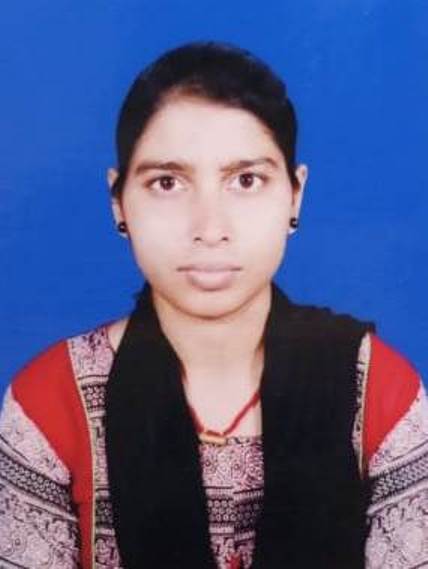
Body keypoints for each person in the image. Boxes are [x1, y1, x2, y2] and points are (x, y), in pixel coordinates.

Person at [0, 41, 427, 569]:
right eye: (167, 183)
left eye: (246, 181)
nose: (209, 228)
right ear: (118, 202)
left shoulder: (381, 393)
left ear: (295, 195)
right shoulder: (49, 402)